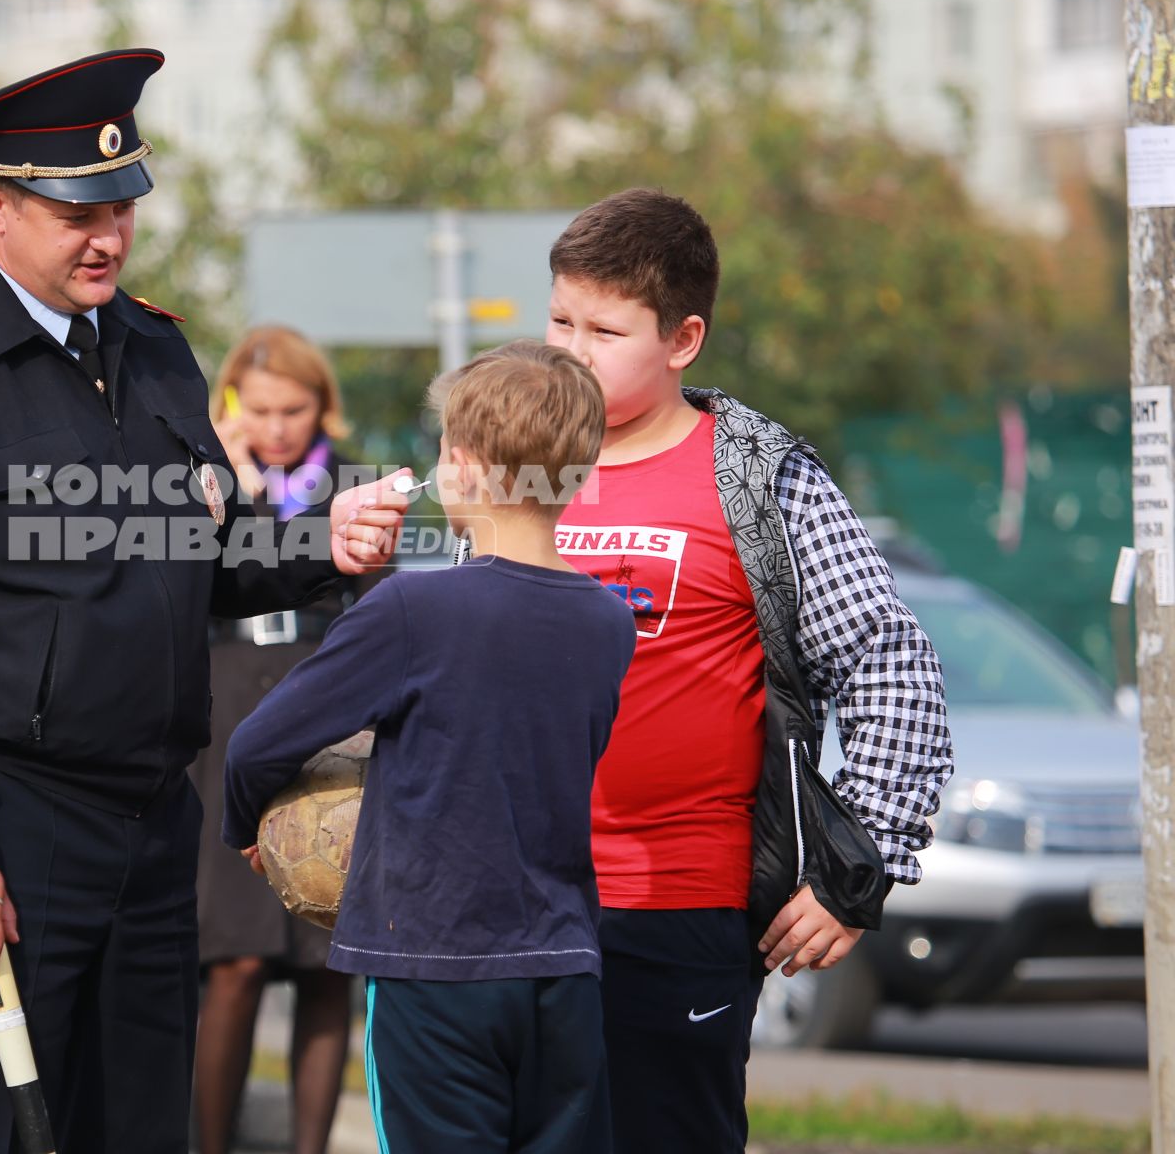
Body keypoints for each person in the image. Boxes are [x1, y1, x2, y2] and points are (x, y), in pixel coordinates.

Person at [0, 47, 409, 1154]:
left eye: (120, 205)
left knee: (143, 1127)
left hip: (154, 828)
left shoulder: (153, 351)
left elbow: (195, 556)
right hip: (7, 826)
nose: (106, 235)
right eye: (71, 211)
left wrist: (317, 546)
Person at [543, 188, 955, 1152]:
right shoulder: (519, 453)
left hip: (682, 910)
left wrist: (863, 869)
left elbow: (890, 661)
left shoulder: (764, 473)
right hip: (519, 903)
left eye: (605, 330)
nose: (569, 349)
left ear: (683, 340)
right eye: (559, 318)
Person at [223, 341, 636, 1154]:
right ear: (580, 473)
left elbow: (255, 746)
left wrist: (249, 830)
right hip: (563, 965)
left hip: (432, 969)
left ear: (458, 465)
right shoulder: (609, 621)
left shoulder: (413, 610)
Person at [189, 326, 360, 1154]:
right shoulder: (204, 481)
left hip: (323, 715)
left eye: (294, 409)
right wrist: (236, 484)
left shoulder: (351, 487)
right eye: (258, 410)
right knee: (236, 960)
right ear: (228, 406)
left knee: (329, 966)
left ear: (322, 407)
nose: (278, 426)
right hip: (226, 722)